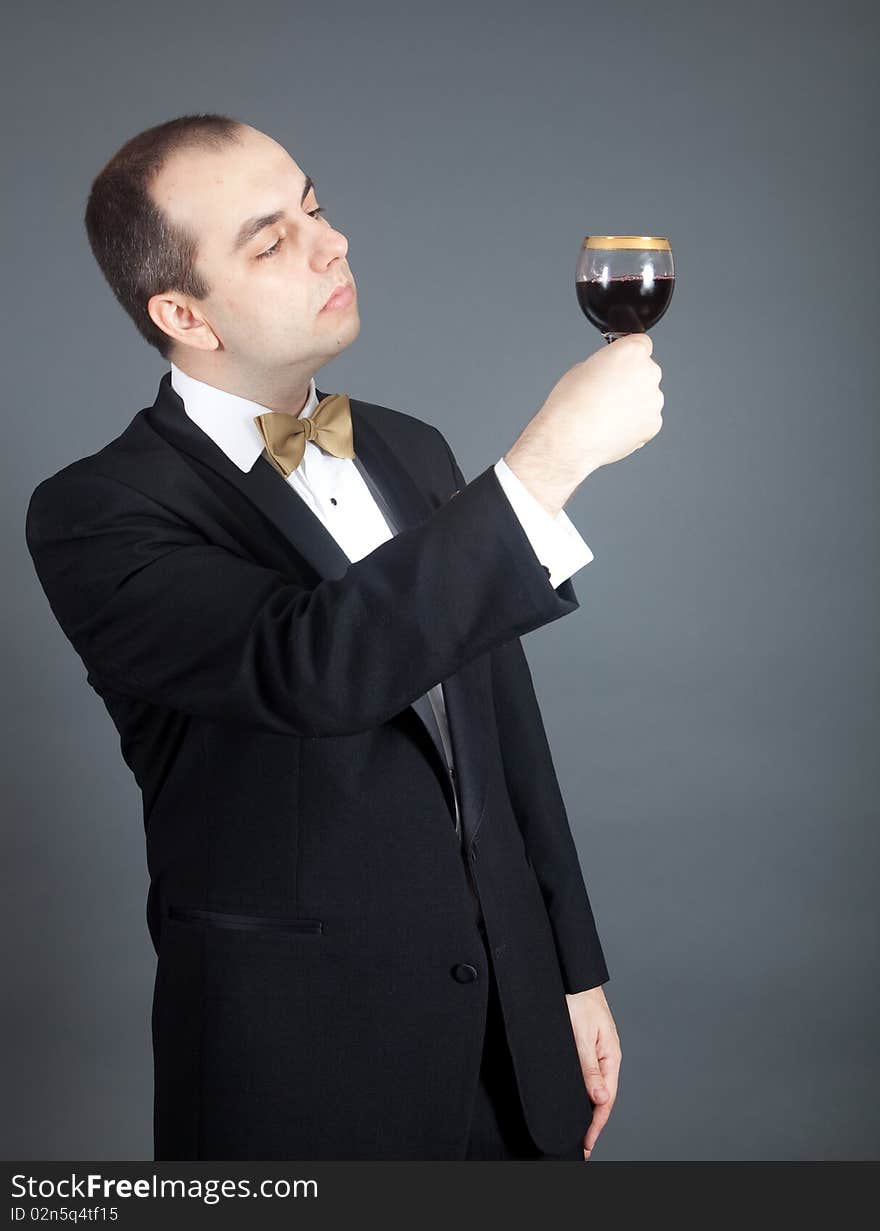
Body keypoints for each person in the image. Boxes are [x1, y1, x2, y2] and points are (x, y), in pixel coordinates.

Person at [24, 114, 663, 1161]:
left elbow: (503, 728)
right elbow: (310, 665)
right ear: (181, 311)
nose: (333, 244)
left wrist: (570, 966)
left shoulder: (410, 447)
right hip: (302, 1069)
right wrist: (549, 461)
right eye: (270, 240)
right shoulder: (96, 512)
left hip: (511, 1031)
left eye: (315, 208)